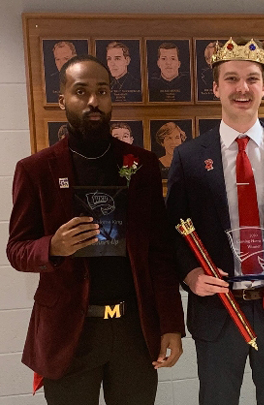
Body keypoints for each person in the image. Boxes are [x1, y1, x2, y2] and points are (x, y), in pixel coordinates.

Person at [7, 55, 185, 405]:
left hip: (133, 329)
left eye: (102, 91)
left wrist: (171, 324)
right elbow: (17, 250)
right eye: (81, 91)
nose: (93, 100)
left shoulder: (142, 164)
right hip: (69, 333)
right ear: (62, 100)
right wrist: (52, 246)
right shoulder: (36, 170)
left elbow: (160, 253)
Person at [166, 37, 264, 405]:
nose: (242, 88)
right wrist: (190, 274)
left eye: (252, 78)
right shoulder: (189, 157)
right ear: (216, 88)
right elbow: (172, 230)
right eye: (232, 79)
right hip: (218, 309)